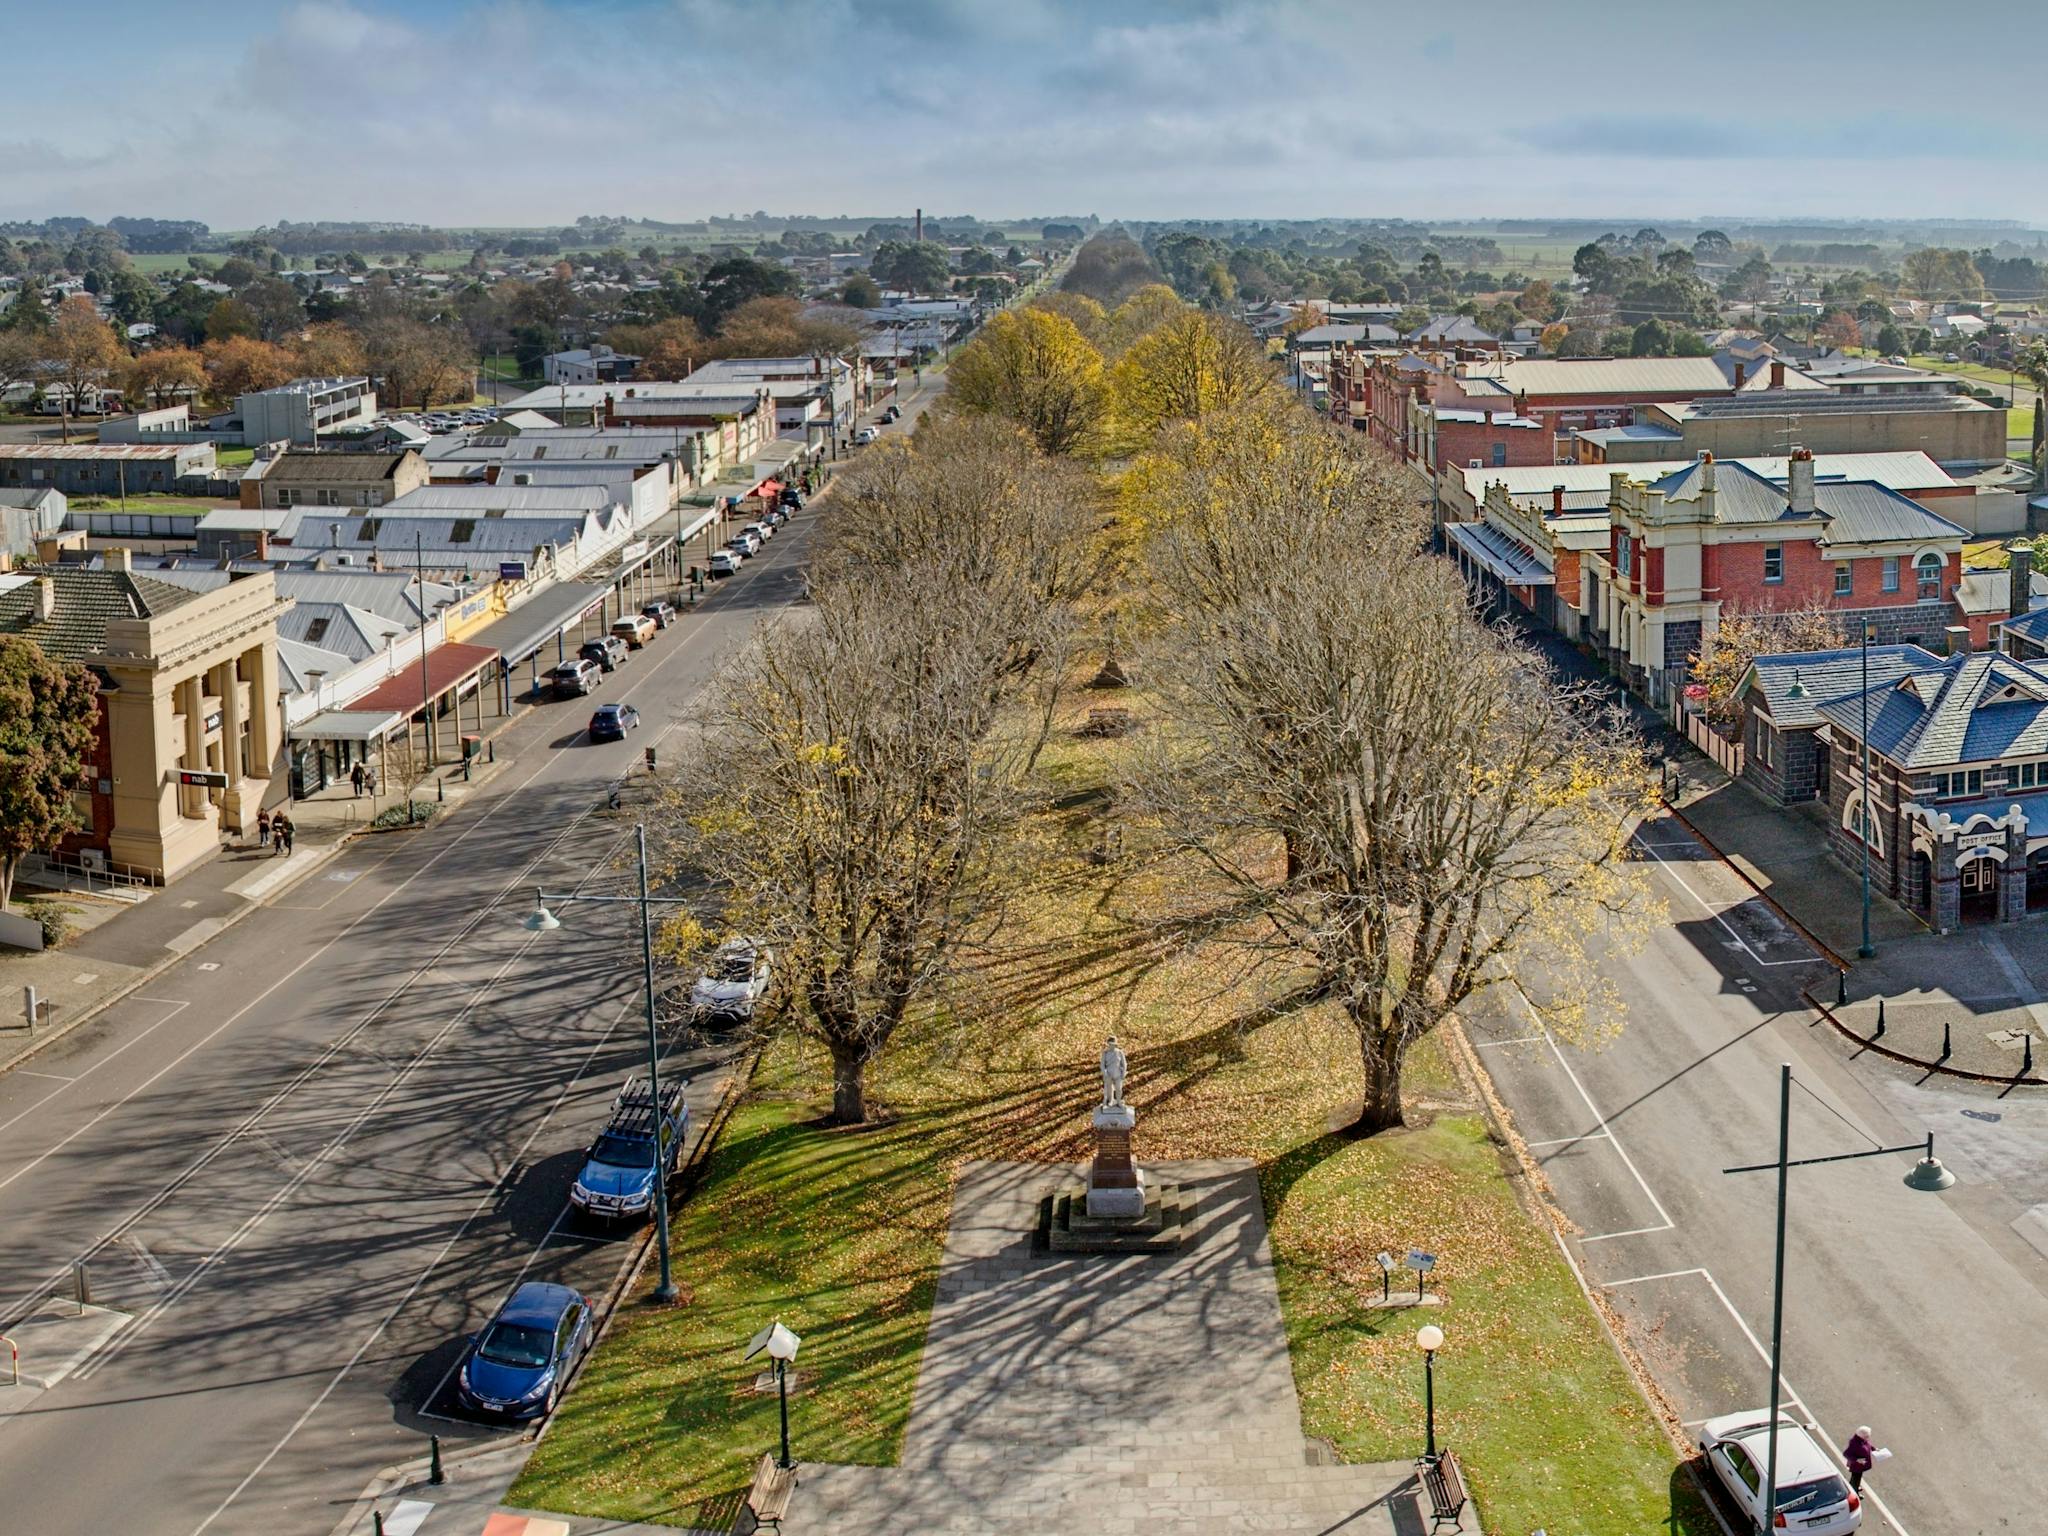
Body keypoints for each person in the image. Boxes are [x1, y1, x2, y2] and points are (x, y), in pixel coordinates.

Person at [1844, 1427, 1875, 1491]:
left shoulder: (1862, 1439)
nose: (1868, 1437)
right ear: (1862, 1436)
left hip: (1860, 1466)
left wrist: (1874, 1449)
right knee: (1855, 1480)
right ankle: (1854, 1492)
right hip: (1856, 1467)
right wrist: (1857, 1460)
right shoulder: (1854, 1444)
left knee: (1857, 1478)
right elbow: (1846, 1454)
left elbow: (1868, 1444)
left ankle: (1855, 1487)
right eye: (1867, 1436)